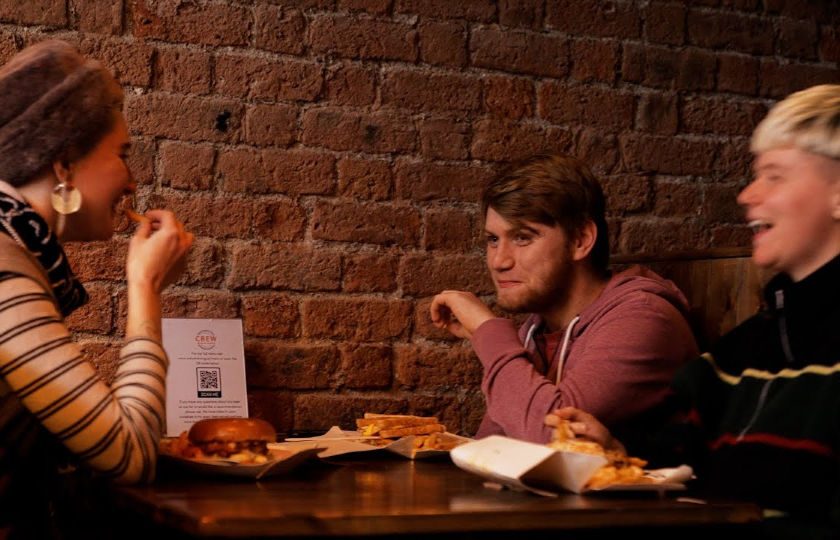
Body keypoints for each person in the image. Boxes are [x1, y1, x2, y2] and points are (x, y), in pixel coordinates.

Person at [547, 84, 840, 536]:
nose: (746, 195)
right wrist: (614, 446)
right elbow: (684, 458)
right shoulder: (743, 349)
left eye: (776, 176)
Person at [0, 40, 193, 538]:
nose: (131, 184)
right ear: (64, 164)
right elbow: (129, 454)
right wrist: (146, 286)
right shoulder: (4, 266)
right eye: (122, 154)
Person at [429, 153, 699, 444]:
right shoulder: (536, 330)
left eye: (522, 237)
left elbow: (552, 439)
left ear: (581, 240)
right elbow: (493, 447)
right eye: (493, 239)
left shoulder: (644, 318)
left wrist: (488, 331)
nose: (498, 261)